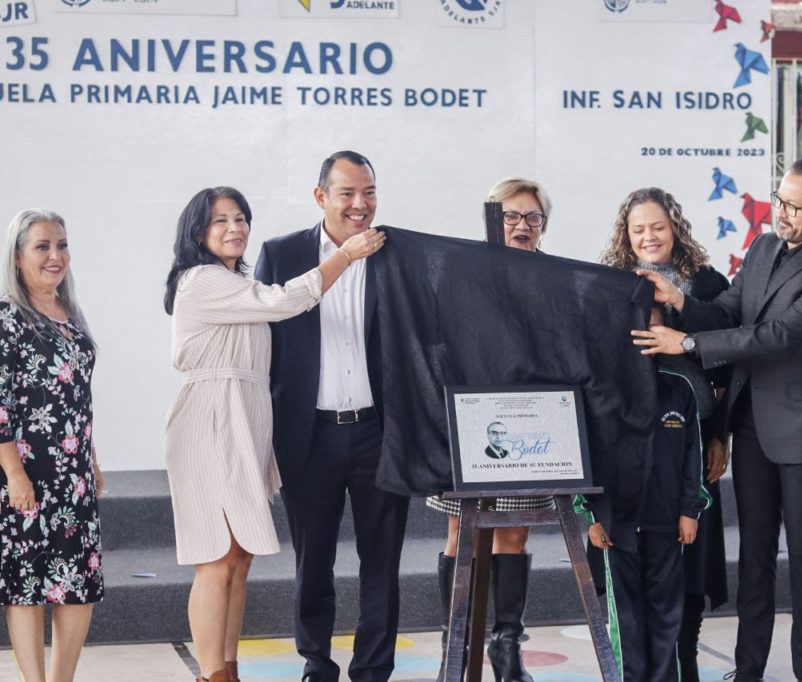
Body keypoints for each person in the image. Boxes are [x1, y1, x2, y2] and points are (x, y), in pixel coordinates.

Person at [631, 158, 802, 682]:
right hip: (752, 424)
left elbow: (777, 336)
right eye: (779, 199)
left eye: (794, 205)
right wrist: (679, 300)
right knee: (754, 556)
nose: (781, 212)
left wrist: (687, 343)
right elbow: (729, 311)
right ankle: (748, 669)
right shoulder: (763, 248)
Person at [163, 186, 381, 682]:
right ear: (197, 232)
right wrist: (346, 255)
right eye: (221, 220)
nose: (235, 228)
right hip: (211, 419)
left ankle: (228, 669)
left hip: (243, 418)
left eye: (241, 218)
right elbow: (286, 300)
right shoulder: (200, 280)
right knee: (216, 559)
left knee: (238, 559)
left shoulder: (231, 282)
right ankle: (212, 675)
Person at [253, 151, 409, 682]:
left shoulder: (394, 254)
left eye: (369, 192)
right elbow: (263, 338)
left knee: (381, 563)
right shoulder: (281, 254)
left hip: (378, 434)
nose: (360, 204)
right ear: (321, 197)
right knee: (312, 560)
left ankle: (373, 670)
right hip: (308, 434)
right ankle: (316, 663)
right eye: (347, 193)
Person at [425, 176, 555, 682]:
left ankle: (506, 647)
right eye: (511, 216)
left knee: (514, 532)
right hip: (469, 420)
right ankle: (454, 645)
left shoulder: (555, 279)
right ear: (491, 220)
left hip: (529, 424)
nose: (522, 225)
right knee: (461, 529)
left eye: (533, 217)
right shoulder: (463, 273)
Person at [599, 187, 730, 681]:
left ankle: (684, 661)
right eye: (638, 229)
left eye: (658, 226)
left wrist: (719, 435)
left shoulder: (706, 281)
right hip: (626, 459)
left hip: (687, 443)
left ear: (675, 226)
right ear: (626, 234)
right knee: (628, 579)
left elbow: (727, 356)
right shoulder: (610, 281)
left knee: (687, 567)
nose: (649, 236)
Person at [0, 209, 103, 682]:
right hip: (26, 473)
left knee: (77, 582)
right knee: (27, 585)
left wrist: (92, 459)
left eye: (61, 245)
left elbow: (78, 395)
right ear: (18, 257)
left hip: (74, 473)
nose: (55, 255)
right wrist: (14, 474)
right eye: (42, 246)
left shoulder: (70, 314)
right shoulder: (7, 318)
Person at [585, 301, 705, 682]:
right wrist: (590, 516)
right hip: (616, 526)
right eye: (635, 326)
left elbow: (693, 456)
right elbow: (586, 457)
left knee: (666, 612)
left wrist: (689, 510)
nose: (643, 334)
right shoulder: (602, 390)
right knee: (626, 615)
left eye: (652, 327)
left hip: (666, 522)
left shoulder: (679, 389)